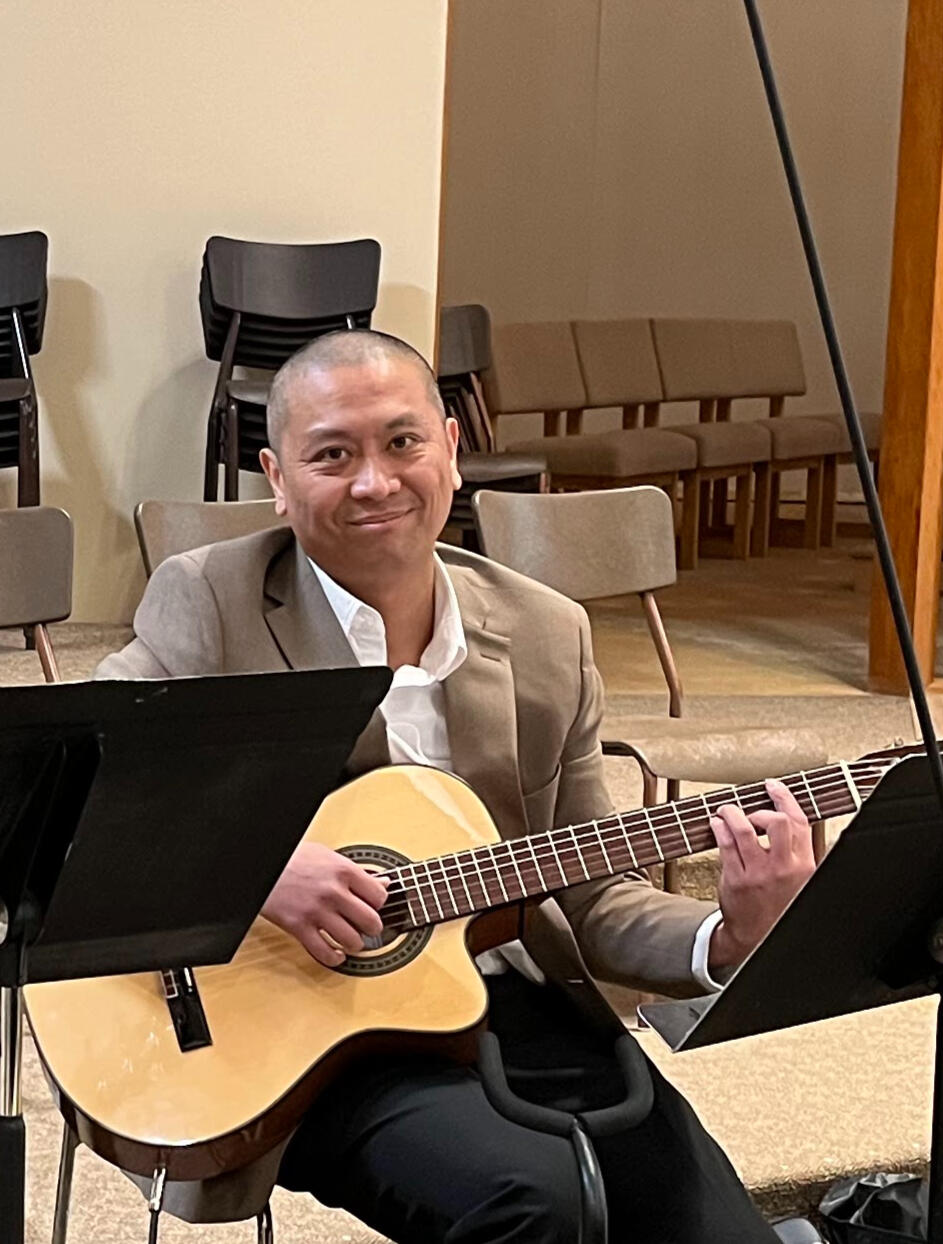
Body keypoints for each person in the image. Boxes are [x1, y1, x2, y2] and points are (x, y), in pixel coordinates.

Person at [97, 329, 816, 1242]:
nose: (374, 482)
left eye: (402, 443)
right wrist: (255, 868)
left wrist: (731, 931)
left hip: (514, 1005)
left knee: (705, 1229)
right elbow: (76, 782)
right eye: (332, 454)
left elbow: (591, 897)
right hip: (306, 1030)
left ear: (451, 447)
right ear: (276, 480)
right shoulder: (210, 599)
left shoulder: (543, 633)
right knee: (534, 1207)